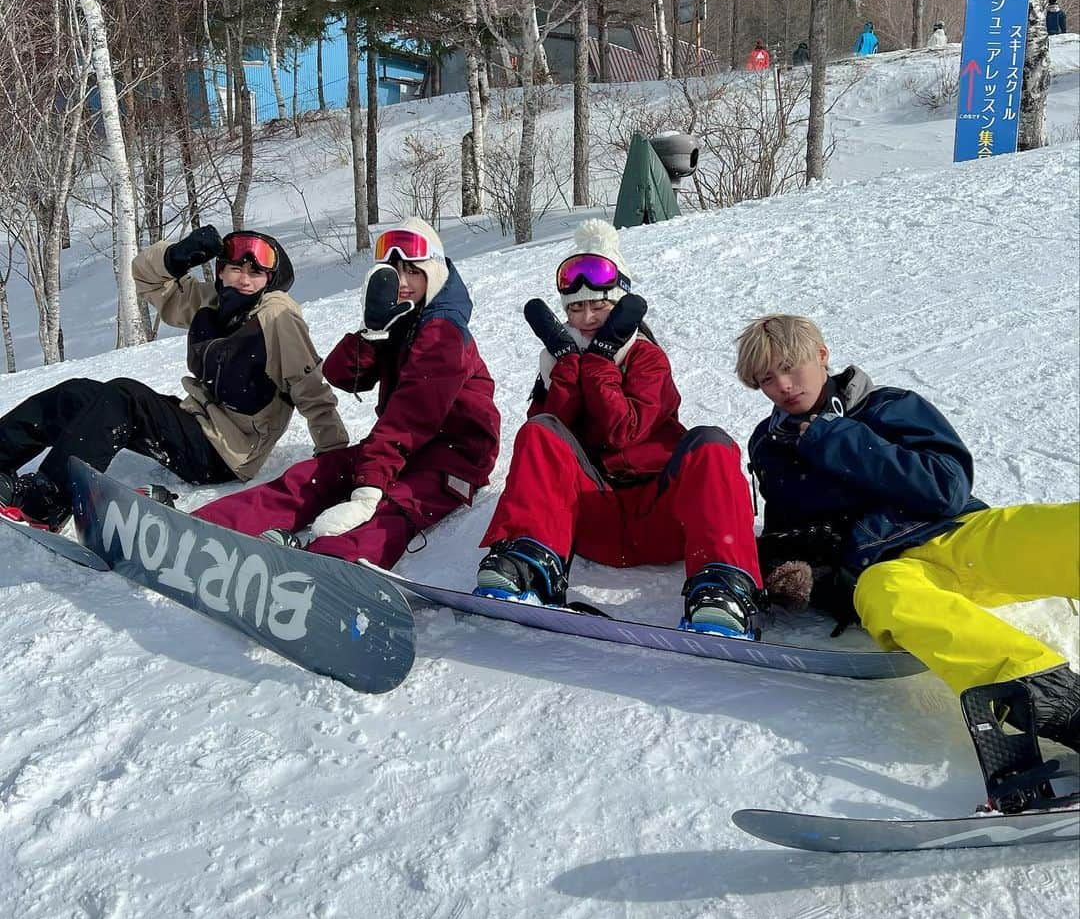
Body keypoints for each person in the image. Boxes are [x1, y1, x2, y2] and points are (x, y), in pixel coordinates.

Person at [735, 314, 1079, 755]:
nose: (783, 384)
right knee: (890, 598)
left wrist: (836, 437)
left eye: (791, 365)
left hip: (954, 535)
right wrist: (803, 577)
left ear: (822, 356)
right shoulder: (769, 444)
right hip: (881, 570)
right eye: (767, 378)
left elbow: (946, 487)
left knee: (1061, 529)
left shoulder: (888, 407)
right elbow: (789, 535)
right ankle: (1063, 707)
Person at [474, 220, 763, 638]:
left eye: (599, 307)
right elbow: (554, 435)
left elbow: (623, 430)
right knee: (538, 432)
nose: (587, 318)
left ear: (619, 305)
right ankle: (530, 563)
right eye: (576, 308)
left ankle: (724, 587)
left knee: (712, 443)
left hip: (663, 519)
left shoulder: (647, 359)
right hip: (593, 518)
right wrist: (569, 366)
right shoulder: (558, 364)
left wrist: (598, 363)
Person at [195, 218, 499, 568]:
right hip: (404, 446)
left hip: (455, 455)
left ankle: (331, 566)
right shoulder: (404, 317)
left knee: (394, 507)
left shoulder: (443, 332)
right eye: (394, 271)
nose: (402, 283)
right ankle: (209, 526)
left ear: (433, 274)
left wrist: (370, 486)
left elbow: (411, 416)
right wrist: (372, 331)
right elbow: (343, 375)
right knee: (314, 475)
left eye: (413, 272)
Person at [0, 227, 347, 530]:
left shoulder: (278, 317)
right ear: (221, 271)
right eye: (235, 267)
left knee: (125, 396)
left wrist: (335, 461)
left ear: (269, 280)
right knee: (77, 394)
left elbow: (311, 390)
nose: (243, 277)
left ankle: (46, 502)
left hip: (226, 453)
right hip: (196, 423)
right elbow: (146, 279)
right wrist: (178, 256)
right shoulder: (213, 304)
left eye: (255, 271)